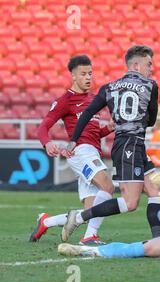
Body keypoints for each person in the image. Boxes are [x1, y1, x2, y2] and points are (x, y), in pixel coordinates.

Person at [59, 45, 160, 242]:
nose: (152, 68)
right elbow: (151, 121)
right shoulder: (151, 85)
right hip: (130, 146)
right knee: (131, 203)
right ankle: (79, 217)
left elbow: (88, 113)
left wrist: (73, 140)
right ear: (137, 65)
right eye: (149, 64)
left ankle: (159, 240)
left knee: (154, 191)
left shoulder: (109, 87)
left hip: (128, 145)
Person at [29, 55, 115, 245]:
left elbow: (92, 132)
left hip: (93, 151)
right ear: (73, 76)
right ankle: (90, 237)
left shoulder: (94, 99)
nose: (88, 77)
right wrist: (48, 143)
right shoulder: (65, 101)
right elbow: (42, 127)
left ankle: (46, 221)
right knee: (108, 187)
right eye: (83, 74)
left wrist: (108, 128)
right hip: (80, 152)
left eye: (90, 73)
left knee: (91, 211)